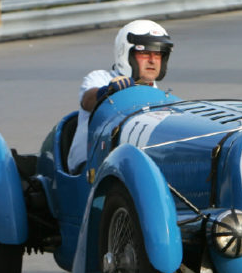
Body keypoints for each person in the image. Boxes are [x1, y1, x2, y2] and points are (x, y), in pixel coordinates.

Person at [68, 19, 174, 171]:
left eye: (158, 54)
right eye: (144, 53)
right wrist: (108, 92)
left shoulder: (161, 96)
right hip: (92, 168)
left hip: (136, 166)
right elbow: (88, 100)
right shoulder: (100, 78)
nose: (152, 61)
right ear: (125, 53)